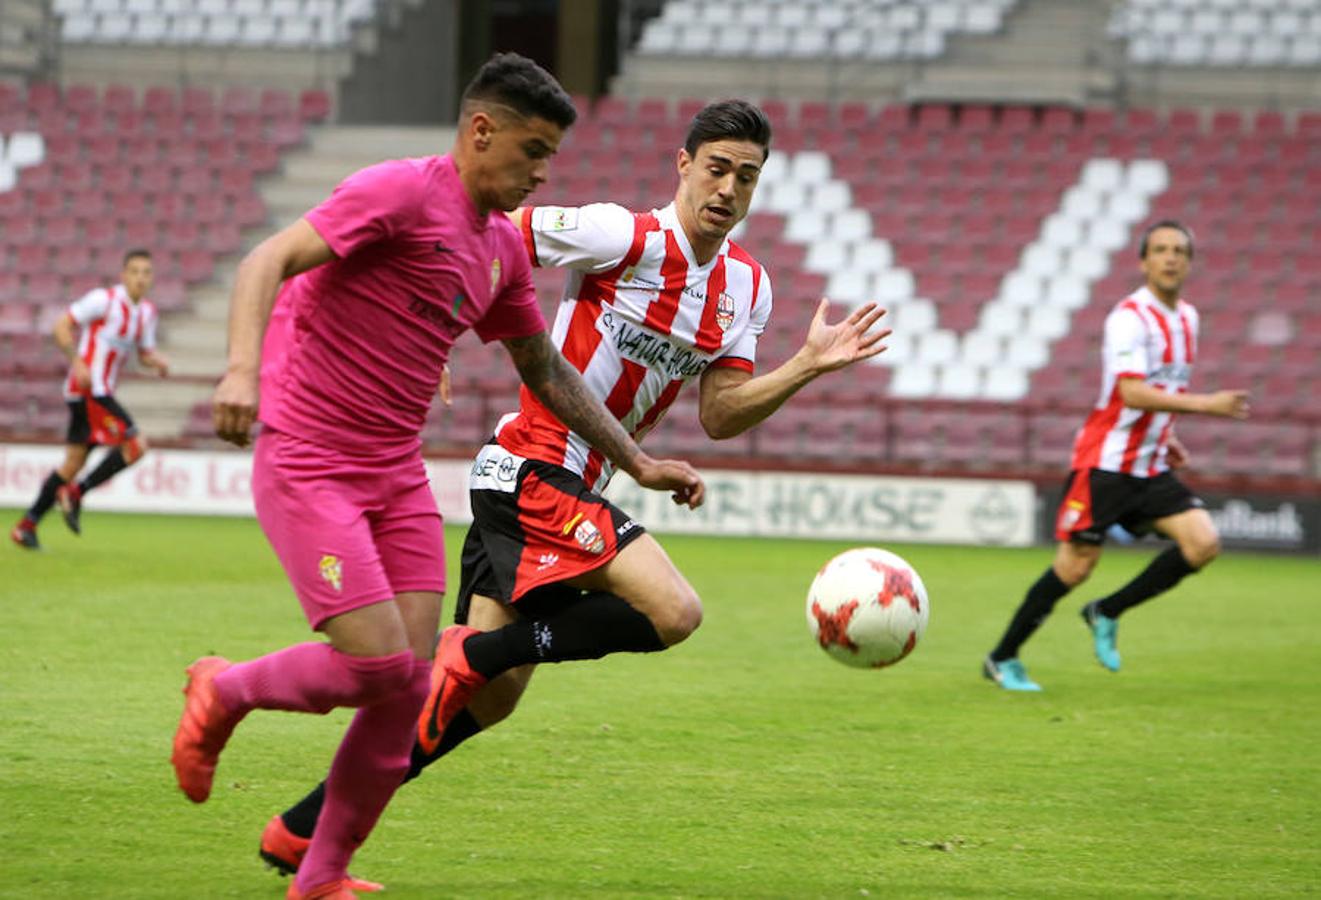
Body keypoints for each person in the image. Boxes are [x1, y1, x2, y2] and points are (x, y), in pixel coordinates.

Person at [257, 98, 890, 882]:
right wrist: (429, 324)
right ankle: (477, 651)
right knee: (672, 611)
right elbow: (484, 238)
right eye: (717, 167)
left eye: (747, 176)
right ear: (683, 165)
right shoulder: (619, 235)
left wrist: (803, 367)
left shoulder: (745, 287)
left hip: (563, 485)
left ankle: (305, 830)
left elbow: (721, 414)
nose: (728, 188)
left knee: (482, 703)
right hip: (530, 469)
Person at [169, 53, 704, 900]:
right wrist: (240, 371)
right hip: (310, 458)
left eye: (550, 158)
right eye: (531, 150)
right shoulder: (399, 194)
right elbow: (265, 260)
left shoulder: (497, 250)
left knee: (409, 682)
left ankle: (320, 876)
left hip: (394, 475)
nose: (539, 173)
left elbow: (548, 372)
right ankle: (224, 689)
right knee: (380, 670)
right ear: (479, 131)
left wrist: (635, 460)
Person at [983, 220, 1250, 692]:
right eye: (1161, 250)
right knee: (1075, 566)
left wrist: (1163, 437)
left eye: (1179, 251)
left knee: (1203, 543)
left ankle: (1106, 611)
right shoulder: (1128, 318)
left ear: (1189, 263)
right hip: (1104, 464)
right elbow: (1130, 392)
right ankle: (1002, 658)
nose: (1170, 258)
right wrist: (1208, 404)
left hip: (1149, 463)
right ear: (1143, 261)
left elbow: (1161, 388)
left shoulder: (1189, 318)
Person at [9, 249, 169, 550]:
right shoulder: (104, 300)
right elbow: (61, 326)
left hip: (100, 392)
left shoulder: (147, 313)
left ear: (152, 278)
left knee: (71, 464)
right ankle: (76, 493)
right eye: (134, 271)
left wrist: (156, 361)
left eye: (146, 272)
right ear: (123, 275)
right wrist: (78, 361)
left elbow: (144, 354)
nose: (140, 278)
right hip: (89, 390)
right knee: (136, 445)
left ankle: (26, 527)